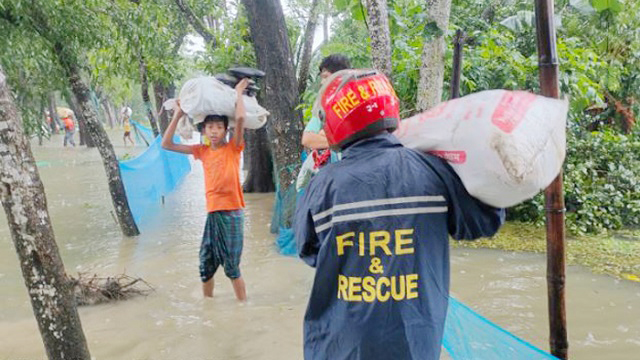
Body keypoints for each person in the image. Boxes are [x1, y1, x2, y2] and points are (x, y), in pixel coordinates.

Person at [294, 69, 505, 360]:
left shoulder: (322, 186)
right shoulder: (435, 171)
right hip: (415, 346)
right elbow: (484, 222)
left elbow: (308, 251)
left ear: (334, 122)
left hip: (340, 347)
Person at [161, 78, 249, 301]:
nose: (214, 131)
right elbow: (167, 144)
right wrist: (179, 113)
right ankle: (208, 306)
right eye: (210, 127)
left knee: (232, 267)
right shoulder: (202, 151)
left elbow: (239, 117)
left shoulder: (233, 148)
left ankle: (243, 306)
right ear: (203, 130)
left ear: (225, 131)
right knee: (206, 264)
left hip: (232, 214)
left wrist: (238, 92)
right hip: (213, 214)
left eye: (219, 127)